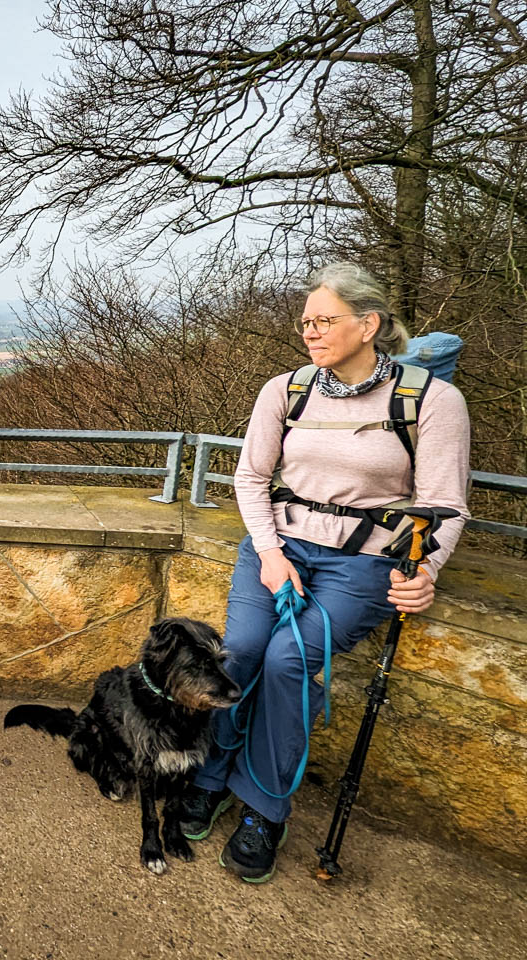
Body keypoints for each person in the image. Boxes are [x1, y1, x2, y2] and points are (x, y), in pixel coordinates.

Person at [178, 262, 471, 883]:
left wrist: (428, 571)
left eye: (325, 320)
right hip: (278, 545)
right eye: (306, 322)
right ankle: (210, 778)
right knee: (241, 653)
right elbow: (252, 477)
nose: (310, 332)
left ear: (369, 324)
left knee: (290, 659)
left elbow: (445, 502)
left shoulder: (432, 401)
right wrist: (272, 553)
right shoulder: (285, 389)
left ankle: (263, 807)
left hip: (362, 561)